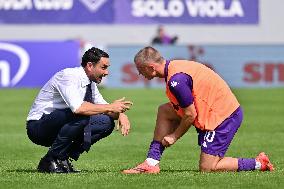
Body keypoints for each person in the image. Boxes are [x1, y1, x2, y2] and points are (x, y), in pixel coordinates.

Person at [122, 46, 274, 174]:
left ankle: (259, 163)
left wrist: (174, 136)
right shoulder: (174, 67)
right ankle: (151, 163)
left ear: (151, 68)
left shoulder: (177, 80)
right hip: (212, 111)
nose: (140, 74)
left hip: (222, 117)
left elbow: (190, 114)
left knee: (207, 168)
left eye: (141, 70)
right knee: (164, 110)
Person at [26, 47, 133, 173]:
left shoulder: (90, 83)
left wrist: (120, 115)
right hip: (38, 127)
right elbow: (78, 109)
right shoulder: (68, 76)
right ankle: (50, 160)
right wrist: (111, 107)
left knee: (106, 123)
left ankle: (63, 158)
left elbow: (104, 108)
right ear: (89, 66)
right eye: (103, 67)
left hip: (61, 125)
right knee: (82, 115)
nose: (107, 72)